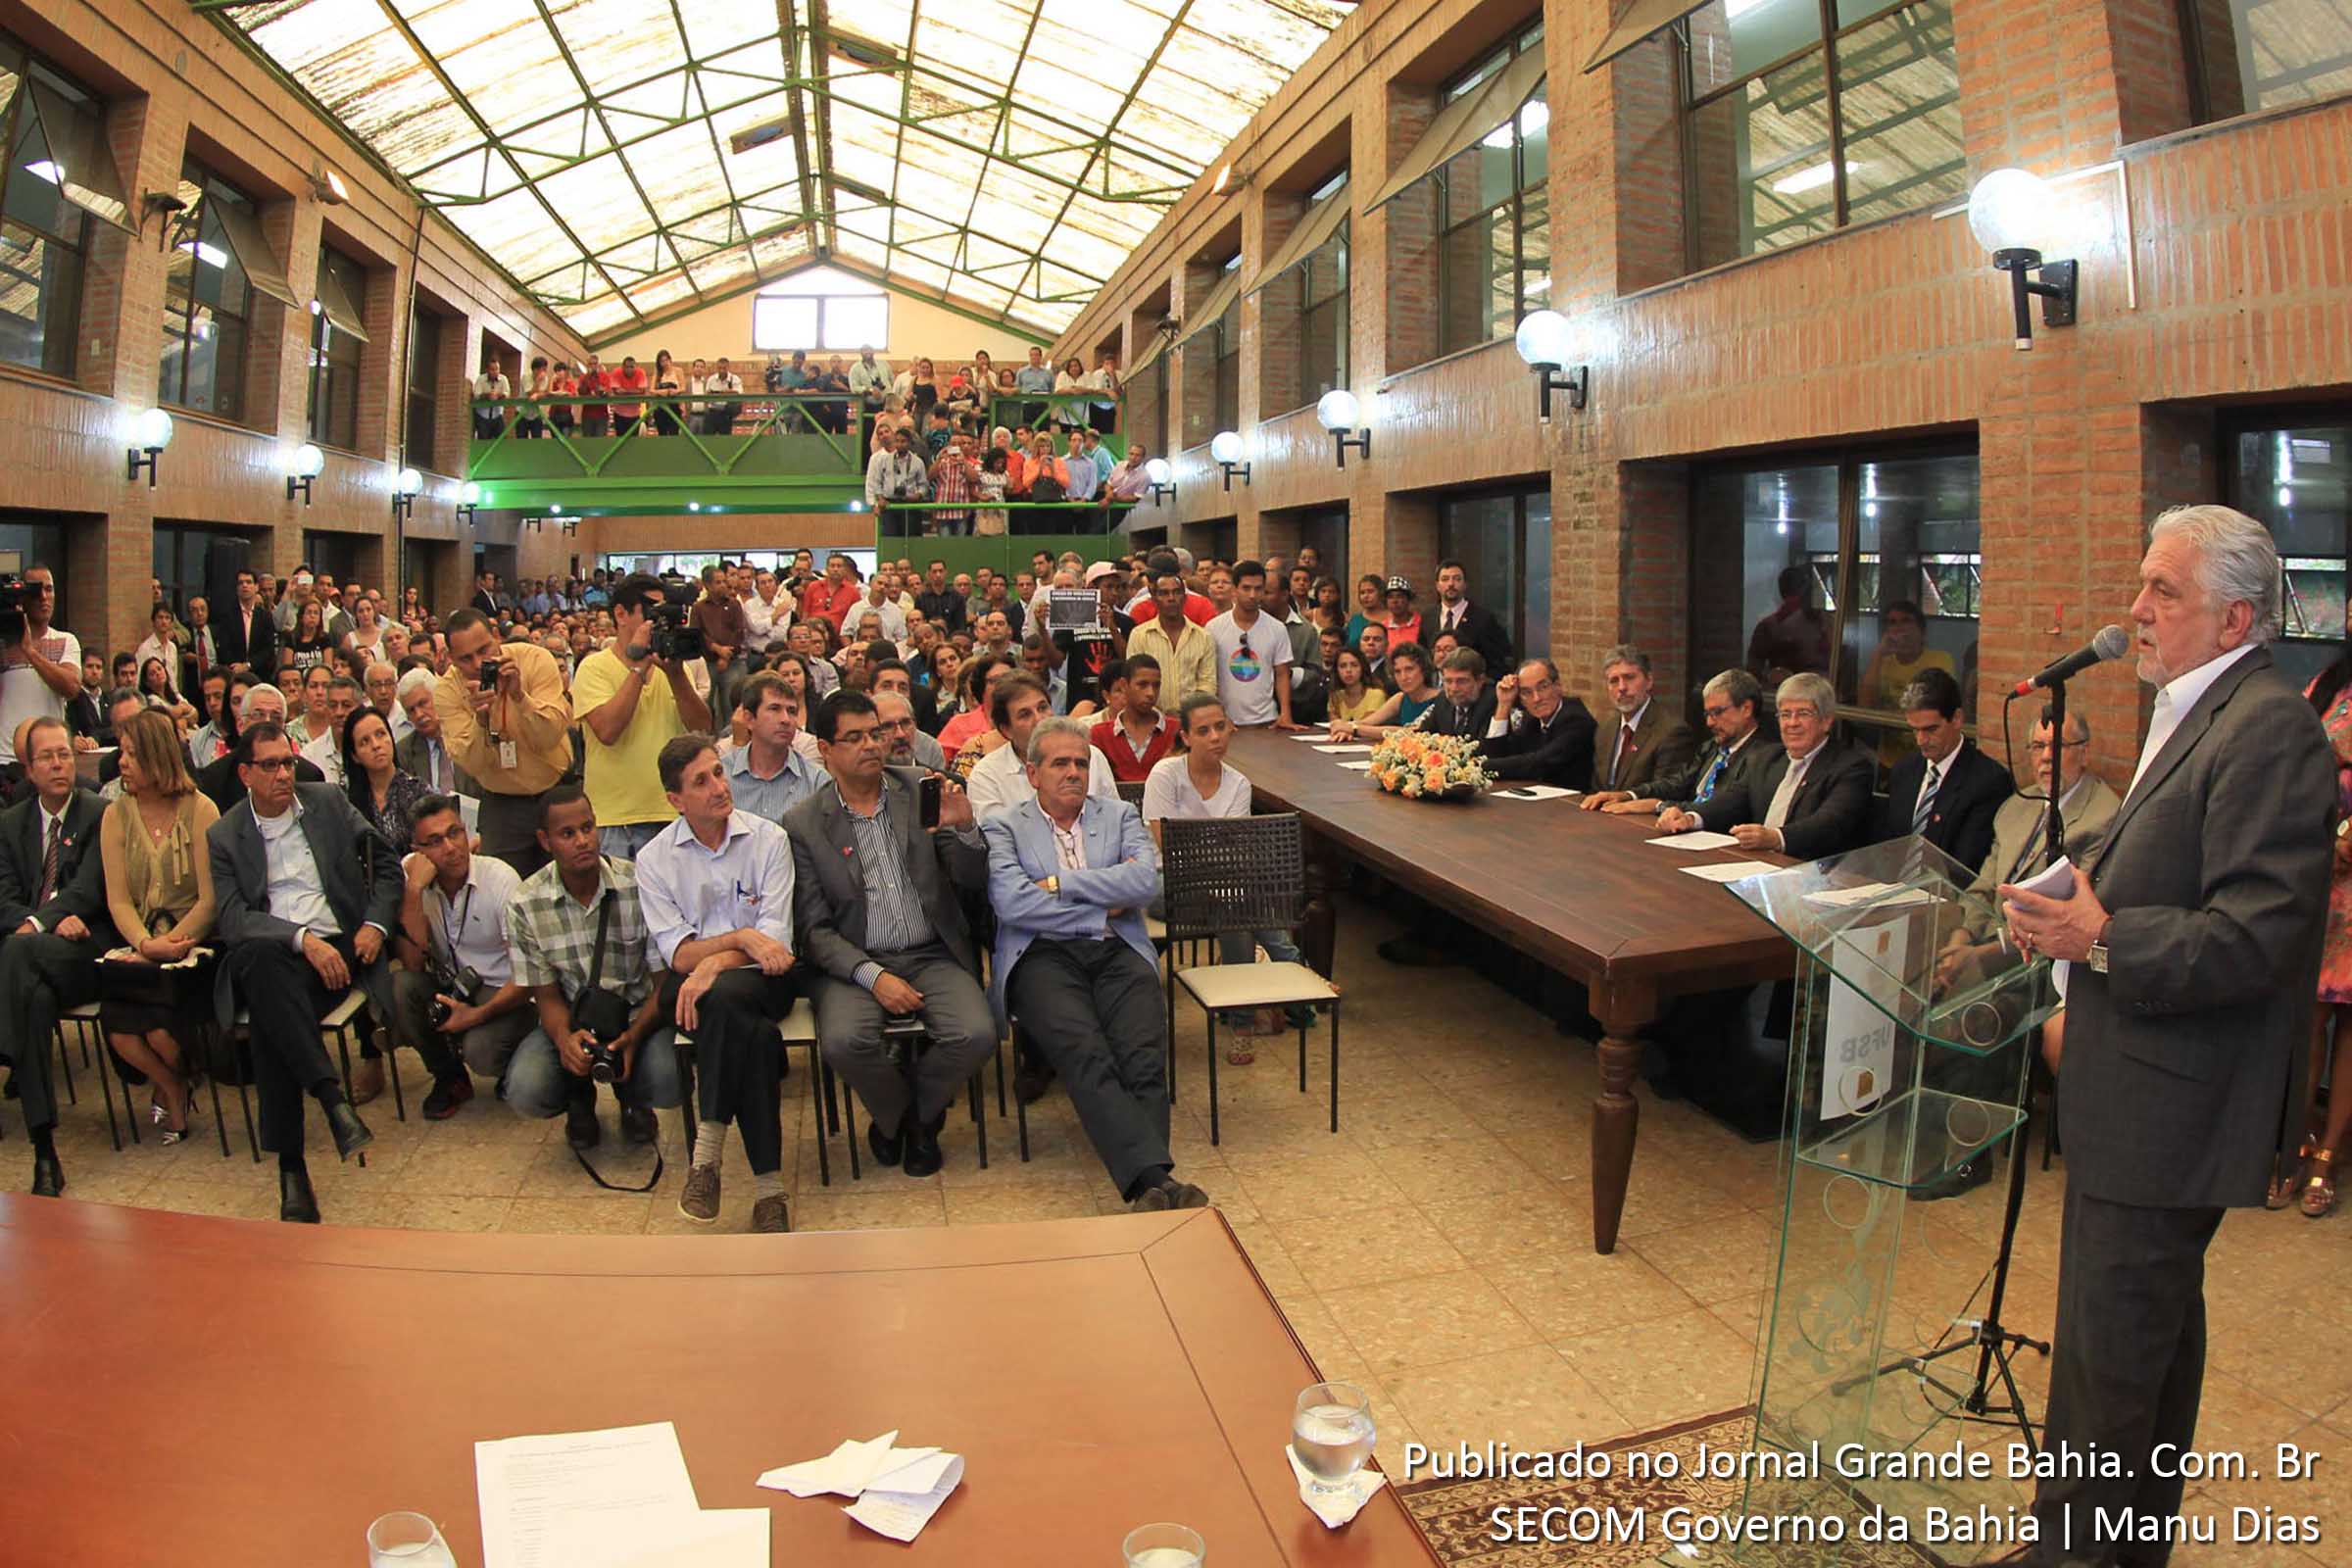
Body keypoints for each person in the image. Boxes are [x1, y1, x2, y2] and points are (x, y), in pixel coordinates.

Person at [1989, 506, 2333, 1566]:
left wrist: (2100, 937)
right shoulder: (2196, 710)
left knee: (2107, 1362)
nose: (2136, 610)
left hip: (2169, 1102)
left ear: (2235, 617)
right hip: (2133, 1081)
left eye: (2163, 592)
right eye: (2142, 587)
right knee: (2147, 1345)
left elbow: (2257, 938)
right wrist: (2072, 925)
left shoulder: (2266, 726)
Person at [983, 718, 1205, 1209]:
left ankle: (1150, 1184)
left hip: (1118, 949)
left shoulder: (1120, 815)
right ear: (1032, 772)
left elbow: (1144, 884)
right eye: (1060, 763)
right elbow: (1013, 903)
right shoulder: (1004, 826)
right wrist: (1103, 900)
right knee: (1087, 1053)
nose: (1073, 773)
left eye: (1081, 763)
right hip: (1042, 957)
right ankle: (1157, 1182)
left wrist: (1062, 884)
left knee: (1144, 1056)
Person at [784, 692, 994, 1175]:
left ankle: (908, 1120)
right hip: (853, 962)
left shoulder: (921, 788)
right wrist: (873, 976)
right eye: (853, 738)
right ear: (824, 748)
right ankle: (905, 1117)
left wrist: (964, 832)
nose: (871, 745)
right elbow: (814, 930)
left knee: (977, 1034)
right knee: (844, 1043)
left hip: (932, 952)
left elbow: (971, 880)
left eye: (874, 733)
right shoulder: (804, 823)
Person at [207, 723, 396, 1224]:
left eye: (287, 762)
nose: (283, 774)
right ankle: (330, 1101)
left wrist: (375, 924)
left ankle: (294, 1168)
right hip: (280, 951)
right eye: (269, 765)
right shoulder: (225, 834)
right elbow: (232, 919)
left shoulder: (328, 802)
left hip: (338, 949)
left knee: (270, 1005)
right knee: (266, 967)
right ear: (245, 773)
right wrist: (300, 940)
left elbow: (388, 865)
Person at [638, 735, 798, 1233]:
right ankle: (770, 1192)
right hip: (699, 991)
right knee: (748, 1034)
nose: (717, 788)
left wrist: (715, 962)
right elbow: (678, 953)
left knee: (727, 1000)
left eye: (719, 773)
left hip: (764, 980)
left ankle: (706, 1156)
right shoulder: (654, 859)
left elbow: (774, 945)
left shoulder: (770, 839)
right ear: (675, 800)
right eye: (700, 782)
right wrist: (739, 940)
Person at [502, 786, 682, 1152]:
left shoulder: (639, 885)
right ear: (545, 840)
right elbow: (546, 994)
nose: (583, 841)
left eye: (588, 828)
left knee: (672, 1080)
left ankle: (634, 1098)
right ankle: (577, 1099)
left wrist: (633, 1036)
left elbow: (664, 982)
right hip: (570, 1018)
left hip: (635, 1015)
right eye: (567, 834)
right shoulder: (524, 903)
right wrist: (564, 1040)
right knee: (525, 1090)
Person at [1143, 694, 1320, 1044]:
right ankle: (1295, 974)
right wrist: (1217, 857)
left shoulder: (1239, 784)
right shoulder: (1165, 774)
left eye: (1221, 727)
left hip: (1223, 888)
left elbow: (1234, 853)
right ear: (1186, 737)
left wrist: (1216, 860)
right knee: (1236, 896)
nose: (1215, 737)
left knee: (1231, 901)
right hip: (1165, 884)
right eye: (1204, 730)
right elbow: (1170, 849)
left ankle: (1243, 1015)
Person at [93, 708, 220, 1147]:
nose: (120, 762)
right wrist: (146, 943)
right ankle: (172, 1086)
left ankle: (181, 1076)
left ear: (155, 756)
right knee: (122, 1030)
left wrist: (174, 943)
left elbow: (210, 898)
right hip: (140, 942)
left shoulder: (201, 809)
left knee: (161, 1032)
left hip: (192, 941)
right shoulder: (115, 815)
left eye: (130, 753)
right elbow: (118, 899)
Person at [0, 715, 114, 1194]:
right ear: (28, 769)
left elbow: (88, 890)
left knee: (15, 951)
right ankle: (44, 1148)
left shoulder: (97, 812)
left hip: (85, 948)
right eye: (46, 757)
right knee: (35, 999)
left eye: (64, 754)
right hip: (31, 960)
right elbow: (2, 894)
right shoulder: (11, 822)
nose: (58, 764)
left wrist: (37, 923)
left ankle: (4, 1055)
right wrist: (34, 924)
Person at [389, 794, 528, 1120]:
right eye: (435, 842)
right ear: (417, 851)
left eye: (455, 833)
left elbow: (528, 975)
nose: (450, 848)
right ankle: (449, 1076)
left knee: (482, 1052)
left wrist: (475, 1016)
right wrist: (412, 894)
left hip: (508, 992)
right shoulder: (414, 881)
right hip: (453, 985)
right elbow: (412, 964)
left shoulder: (500, 879)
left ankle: (514, 1059)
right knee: (401, 987)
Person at [570, 575, 713, 859]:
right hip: (616, 819)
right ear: (621, 614)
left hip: (672, 810)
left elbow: (701, 728)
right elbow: (608, 731)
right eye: (651, 613)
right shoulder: (594, 668)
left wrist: (676, 676)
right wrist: (638, 667)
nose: (659, 621)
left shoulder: (672, 667)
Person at [1664, 671, 1874, 858]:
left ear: (1826, 721)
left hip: (1815, 874)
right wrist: (1691, 818)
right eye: (1785, 714)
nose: (1792, 723)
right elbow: (1730, 802)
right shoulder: (1767, 758)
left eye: (1803, 714)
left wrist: (1776, 838)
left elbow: (1829, 824)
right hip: (1761, 866)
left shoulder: (1851, 767)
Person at [1594, 668, 1781, 819]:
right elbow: (1677, 784)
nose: (1709, 723)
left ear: (1746, 709)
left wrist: (1659, 806)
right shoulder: (1712, 747)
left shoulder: (1764, 756)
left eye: (1717, 712)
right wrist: (1629, 795)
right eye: (1707, 714)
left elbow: (1722, 806)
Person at [1873, 666, 2011, 869]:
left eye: (1930, 729)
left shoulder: (1988, 782)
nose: (1921, 741)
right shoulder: (1905, 770)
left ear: (1956, 719)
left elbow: (1965, 865)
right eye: (1914, 730)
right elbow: (1887, 846)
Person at [965, 673, 1118, 820]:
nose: (1039, 719)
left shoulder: (1091, 756)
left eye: (1043, 708)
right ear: (1006, 730)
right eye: (1025, 714)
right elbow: (997, 837)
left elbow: (1114, 820)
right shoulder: (987, 775)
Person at [0, 565, 80, 770]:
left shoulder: (66, 641)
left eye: (49, 589)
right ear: (22, 597)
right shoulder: (3, 645)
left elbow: (71, 688)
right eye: (36, 591)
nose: (44, 597)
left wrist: (30, 652)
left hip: (49, 759)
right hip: (5, 758)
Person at [196, 684, 324, 812]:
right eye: (258, 715)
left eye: (276, 718)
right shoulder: (214, 779)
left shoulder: (309, 776)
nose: (267, 723)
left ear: (284, 727)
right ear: (240, 725)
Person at [1858, 599, 1956, 766]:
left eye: (1906, 621)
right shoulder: (1882, 663)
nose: (1899, 628)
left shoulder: (1939, 659)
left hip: (1927, 757)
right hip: (1889, 761)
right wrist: (1878, 655)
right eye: (1892, 623)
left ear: (1921, 630)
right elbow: (1864, 706)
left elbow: (1939, 706)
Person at [1590, 645, 1697, 796]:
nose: (1621, 687)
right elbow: (1597, 789)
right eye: (1614, 681)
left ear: (1649, 681)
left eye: (1629, 677)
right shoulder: (1605, 729)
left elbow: (1667, 793)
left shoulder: (1672, 732)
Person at [725, 671, 826, 826]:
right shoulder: (722, 776)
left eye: (791, 711)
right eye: (774, 709)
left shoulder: (816, 781)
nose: (786, 719)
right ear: (749, 719)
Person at [1479, 659, 1597, 787]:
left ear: (1558, 686)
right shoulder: (1532, 719)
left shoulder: (1577, 719)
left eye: (1543, 687)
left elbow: (1538, 764)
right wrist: (1504, 704)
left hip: (1573, 802)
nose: (1537, 698)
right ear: (1521, 700)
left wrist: (1481, 765)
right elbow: (1500, 757)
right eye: (1527, 692)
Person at [343, 704, 429, 858]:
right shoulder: (348, 804)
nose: (376, 745)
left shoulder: (418, 791)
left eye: (381, 734)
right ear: (354, 756)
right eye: (364, 741)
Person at [1128, 562, 1217, 706]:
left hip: (1192, 721)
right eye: (1164, 593)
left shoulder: (1203, 637)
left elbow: (1207, 685)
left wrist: (1188, 715)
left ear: (1185, 597)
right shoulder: (1139, 635)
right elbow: (1135, 682)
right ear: (1154, 598)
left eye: (1176, 592)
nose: (1171, 598)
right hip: (1152, 719)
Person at [1090, 657, 1177, 784]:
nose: (1151, 693)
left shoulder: (1176, 731)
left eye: (1156, 685)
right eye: (1142, 685)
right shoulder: (1099, 735)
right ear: (1124, 685)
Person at [1332, 642, 1437, 741]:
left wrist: (1354, 729)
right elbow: (1366, 722)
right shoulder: (1400, 698)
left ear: (1424, 670)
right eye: (1397, 672)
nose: (1403, 677)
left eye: (1409, 669)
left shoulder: (1439, 699)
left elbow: (1410, 732)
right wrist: (1345, 729)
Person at [396, 668, 475, 798]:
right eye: (411, 710)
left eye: (422, 703)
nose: (419, 714)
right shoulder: (404, 752)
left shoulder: (469, 732)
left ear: (438, 696)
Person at [1747, 564, 1832, 684]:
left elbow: (1754, 671)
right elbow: (1754, 671)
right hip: (1790, 691)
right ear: (1805, 590)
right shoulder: (1770, 626)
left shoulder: (1822, 621)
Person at [1428, 561, 1512, 677]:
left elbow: (1498, 661)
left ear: (1466, 584)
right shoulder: (1428, 617)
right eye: (1445, 579)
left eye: (1457, 579)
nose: (1451, 584)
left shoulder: (1484, 619)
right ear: (1437, 585)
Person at [300, 673, 364, 788]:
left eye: (346, 705)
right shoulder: (310, 755)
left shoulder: (370, 748)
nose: (339, 713)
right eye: (333, 705)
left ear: (359, 708)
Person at [1417, 649, 1495, 740]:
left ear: (1480, 680)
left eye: (1462, 681)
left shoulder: (1492, 703)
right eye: (1448, 681)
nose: (1454, 688)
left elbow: (1488, 749)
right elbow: (1422, 735)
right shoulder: (1442, 700)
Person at [215, 568, 278, 680]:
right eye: (241, 583)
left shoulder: (265, 616)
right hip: (234, 673)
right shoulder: (226, 615)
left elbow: (268, 649)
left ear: (256, 587)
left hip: (260, 674)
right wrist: (237, 667)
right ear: (236, 588)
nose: (245, 585)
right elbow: (224, 647)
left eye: (249, 582)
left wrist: (248, 665)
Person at [873, 689, 946, 773]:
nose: (900, 735)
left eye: (906, 723)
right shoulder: (859, 782)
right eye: (888, 726)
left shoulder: (940, 779)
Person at [1324, 648, 1385, 726]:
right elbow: (1335, 725)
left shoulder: (1376, 694)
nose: (1348, 670)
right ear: (1337, 671)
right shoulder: (1336, 695)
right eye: (1343, 666)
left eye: (1354, 665)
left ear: (1363, 668)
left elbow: (1364, 726)